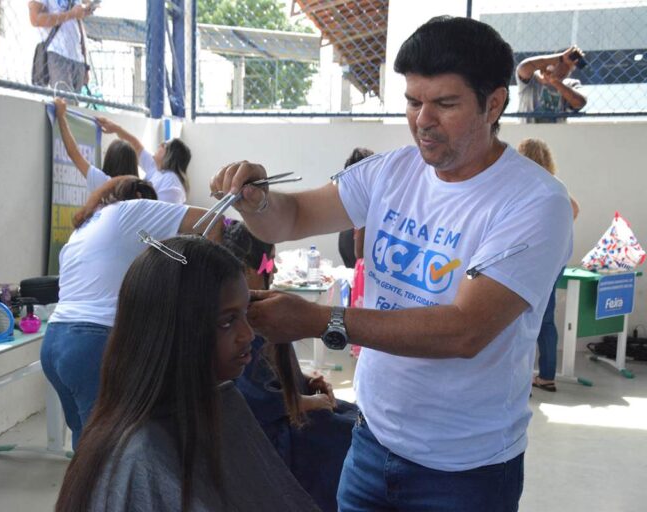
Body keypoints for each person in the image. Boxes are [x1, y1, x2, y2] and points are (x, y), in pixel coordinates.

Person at [209, 16, 573, 511]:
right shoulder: (390, 171)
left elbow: (464, 331)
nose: (423, 119)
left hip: (464, 473)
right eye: (412, 101)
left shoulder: (533, 202)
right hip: (371, 443)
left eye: (444, 104)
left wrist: (320, 321)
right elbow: (290, 217)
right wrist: (258, 204)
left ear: (494, 104)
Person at [55, 236, 320, 512]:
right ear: (175, 331)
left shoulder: (224, 402)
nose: (247, 334)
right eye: (227, 321)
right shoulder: (141, 456)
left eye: (246, 314)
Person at [41, 177, 222, 449]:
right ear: (140, 194)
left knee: (88, 444)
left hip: (55, 342)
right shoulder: (132, 209)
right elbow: (214, 222)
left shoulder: (86, 226)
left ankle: (89, 492)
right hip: (92, 343)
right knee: (112, 447)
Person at [223, 220, 358, 512]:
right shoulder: (238, 329)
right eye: (266, 265)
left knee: (357, 417)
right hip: (266, 433)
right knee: (347, 436)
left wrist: (303, 380)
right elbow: (257, 401)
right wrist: (311, 401)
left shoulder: (256, 314)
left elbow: (266, 378)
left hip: (284, 409)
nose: (270, 271)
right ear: (246, 272)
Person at [517, 138, 580, 392]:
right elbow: (575, 209)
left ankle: (522, 381)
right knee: (546, 320)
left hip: (528, 260)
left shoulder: (523, 184)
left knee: (519, 320)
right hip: (555, 259)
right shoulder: (556, 186)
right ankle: (546, 375)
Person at [90, 117, 191, 204]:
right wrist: (116, 129)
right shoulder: (157, 170)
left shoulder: (171, 180)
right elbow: (137, 147)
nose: (159, 145)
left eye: (164, 145)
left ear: (170, 155)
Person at [53, 98, 140, 196]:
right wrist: (117, 129)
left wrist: (61, 117)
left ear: (110, 160)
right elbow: (139, 147)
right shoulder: (139, 192)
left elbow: (73, 153)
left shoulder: (103, 182)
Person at [29, 0, 94, 94]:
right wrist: (71, 14)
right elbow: (35, 19)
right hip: (57, 53)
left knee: (74, 106)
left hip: (77, 58)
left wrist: (86, 64)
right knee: (65, 103)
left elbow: (79, 26)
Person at [516, 46, 588, 123]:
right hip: (528, 130)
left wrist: (555, 82)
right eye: (564, 64)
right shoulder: (534, 78)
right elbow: (523, 67)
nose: (566, 69)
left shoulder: (570, 84)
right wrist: (561, 57)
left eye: (570, 66)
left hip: (554, 132)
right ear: (554, 62)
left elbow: (580, 103)